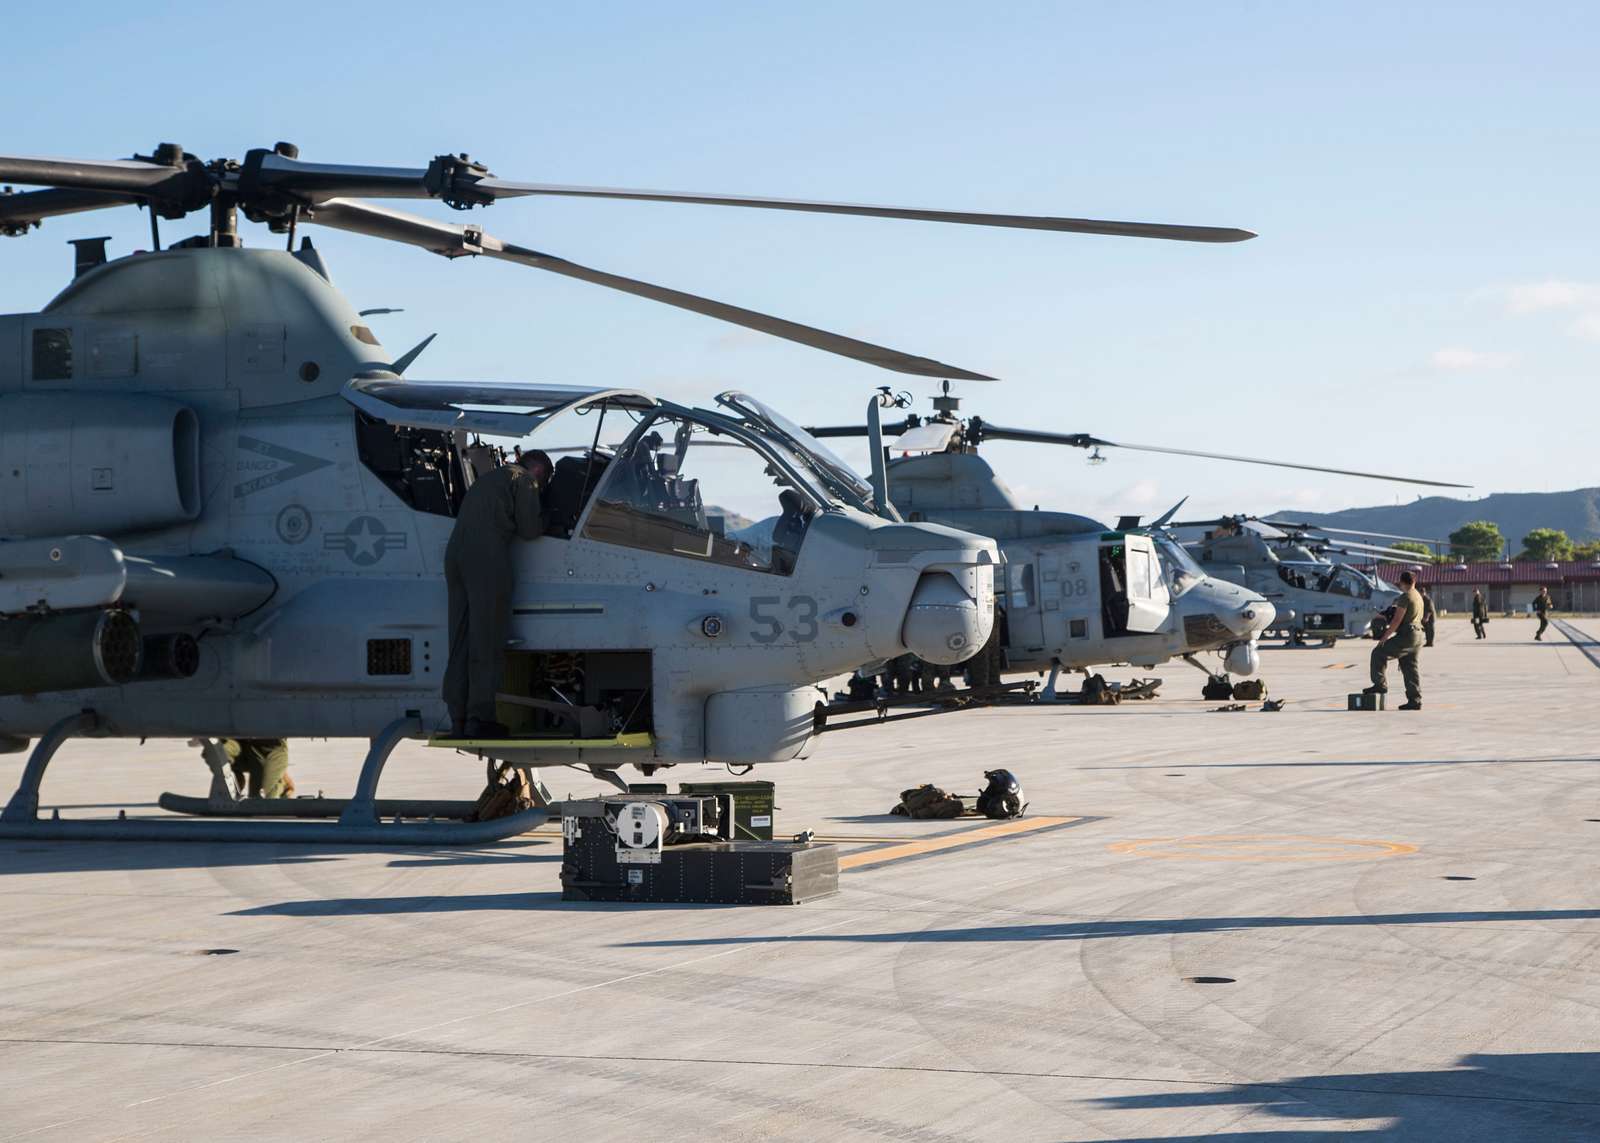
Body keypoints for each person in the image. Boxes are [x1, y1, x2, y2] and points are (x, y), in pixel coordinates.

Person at [443, 449, 551, 738]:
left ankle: (458, 719)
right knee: (487, 637)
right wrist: (548, 518)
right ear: (539, 471)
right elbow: (530, 530)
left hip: (455, 555)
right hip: (485, 556)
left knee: (460, 639)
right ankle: (481, 718)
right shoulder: (524, 479)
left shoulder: (490, 478)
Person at [1365, 568, 1425, 710]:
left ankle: (1380, 685)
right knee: (1410, 667)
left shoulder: (1405, 597)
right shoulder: (1418, 596)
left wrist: (1384, 637)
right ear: (1414, 581)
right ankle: (1415, 700)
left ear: (1401, 583)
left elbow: (1397, 620)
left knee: (1378, 653)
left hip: (1407, 635)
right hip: (1418, 636)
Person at [224, 738, 294, 799]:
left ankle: (282, 783)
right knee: (222, 750)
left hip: (273, 747)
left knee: (265, 799)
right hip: (247, 745)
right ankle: (235, 779)